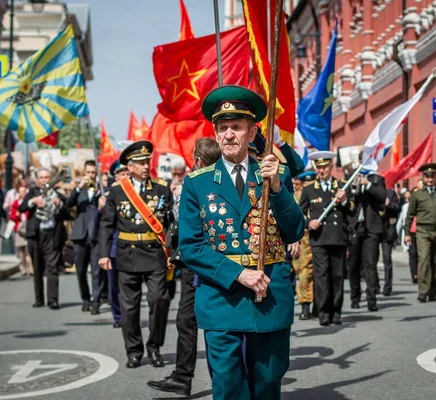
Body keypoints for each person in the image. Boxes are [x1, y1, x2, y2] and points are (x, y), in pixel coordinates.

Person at [178, 85, 305, 399]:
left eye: (236, 127)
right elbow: (191, 246)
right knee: (228, 382)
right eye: (223, 128)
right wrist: (238, 274)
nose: (229, 135)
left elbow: (294, 231)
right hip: (223, 296)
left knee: (267, 381)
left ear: (252, 131)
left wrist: (276, 187)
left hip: (269, 293)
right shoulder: (198, 183)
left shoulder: (275, 174)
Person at [148, 137, 222, 397]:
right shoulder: (221, 181)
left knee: (189, 319)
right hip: (216, 260)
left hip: (197, 261)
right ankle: (194, 376)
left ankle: (185, 377)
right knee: (209, 320)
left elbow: (181, 222)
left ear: (198, 160)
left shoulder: (192, 185)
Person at [98, 140, 173, 369]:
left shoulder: (162, 188)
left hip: (155, 254)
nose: (144, 166)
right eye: (139, 163)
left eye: (146, 162)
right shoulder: (117, 191)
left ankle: (154, 347)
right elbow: (107, 225)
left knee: (159, 300)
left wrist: (172, 251)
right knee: (129, 307)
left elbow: (170, 224)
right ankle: (133, 351)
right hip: (127, 254)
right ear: (129, 167)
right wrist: (104, 254)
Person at [300, 152, 355, 324]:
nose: (322, 170)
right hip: (319, 239)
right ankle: (323, 313)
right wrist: (309, 222)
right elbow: (299, 214)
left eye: (325, 167)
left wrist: (345, 200)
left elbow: (353, 211)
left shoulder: (342, 186)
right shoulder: (309, 189)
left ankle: (336, 312)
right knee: (321, 276)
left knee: (337, 276)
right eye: (319, 167)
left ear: (331, 167)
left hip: (338, 238)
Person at [404, 163, 436, 302]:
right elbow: (409, 215)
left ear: (435, 177)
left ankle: (433, 290)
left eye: (432, 176)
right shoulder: (417, 195)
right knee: (424, 260)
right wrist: (407, 234)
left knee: (435, 261)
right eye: (427, 177)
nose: (429, 179)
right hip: (423, 231)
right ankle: (422, 291)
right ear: (423, 178)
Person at [19, 168, 71, 309]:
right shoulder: (32, 193)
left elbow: (69, 214)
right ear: (37, 180)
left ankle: (53, 300)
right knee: (37, 267)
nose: (44, 180)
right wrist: (32, 202)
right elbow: (21, 208)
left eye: (47, 177)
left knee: (52, 268)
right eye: (41, 177)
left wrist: (59, 205)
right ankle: (39, 298)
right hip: (36, 235)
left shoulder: (58, 195)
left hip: (53, 235)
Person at [66, 160, 106, 314]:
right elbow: (68, 203)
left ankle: (96, 302)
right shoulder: (79, 191)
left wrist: (97, 193)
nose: (90, 175)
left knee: (97, 272)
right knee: (81, 271)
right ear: (84, 173)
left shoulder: (101, 190)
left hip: (96, 236)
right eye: (88, 172)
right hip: (80, 236)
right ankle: (85, 299)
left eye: (93, 173)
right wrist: (78, 188)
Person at [347, 168, 386, 309]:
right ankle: (355, 297)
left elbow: (382, 197)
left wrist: (368, 185)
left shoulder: (377, 179)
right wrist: (354, 185)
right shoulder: (350, 177)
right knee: (353, 265)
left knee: (370, 265)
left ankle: (371, 299)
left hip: (372, 228)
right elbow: (347, 200)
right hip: (355, 228)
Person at [105, 160, 130, 329]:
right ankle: (119, 316)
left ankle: (129, 316)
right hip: (114, 247)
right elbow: (102, 226)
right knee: (114, 286)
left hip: (133, 247)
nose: (126, 177)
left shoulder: (140, 193)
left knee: (129, 287)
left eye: (128, 173)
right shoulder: (109, 195)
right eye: (122, 174)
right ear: (115, 177)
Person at [290, 171, 315, 320]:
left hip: (321, 241)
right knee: (304, 275)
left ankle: (320, 305)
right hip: (303, 243)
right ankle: (305, 306)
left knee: (320, 276)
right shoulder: (295, 197)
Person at [381, 187, 400, 296]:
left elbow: (398, 207)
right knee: (371, 261)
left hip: (387, 230)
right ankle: (374, 285)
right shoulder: (371, 191)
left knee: (387, 259)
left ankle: (388, 286)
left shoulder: (390, 193)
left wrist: (389, 204)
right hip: (373, 230)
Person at [9, 186, 32, 276]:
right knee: (21, 249)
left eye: (24, 191)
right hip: (19, 227)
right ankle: (23, 267)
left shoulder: (29, 202)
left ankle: (31, 267)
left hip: (28, 226)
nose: (22, 193)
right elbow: (12, 216)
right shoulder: (16, 203)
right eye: (20, 191)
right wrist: (17, 215)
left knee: (29, 249)